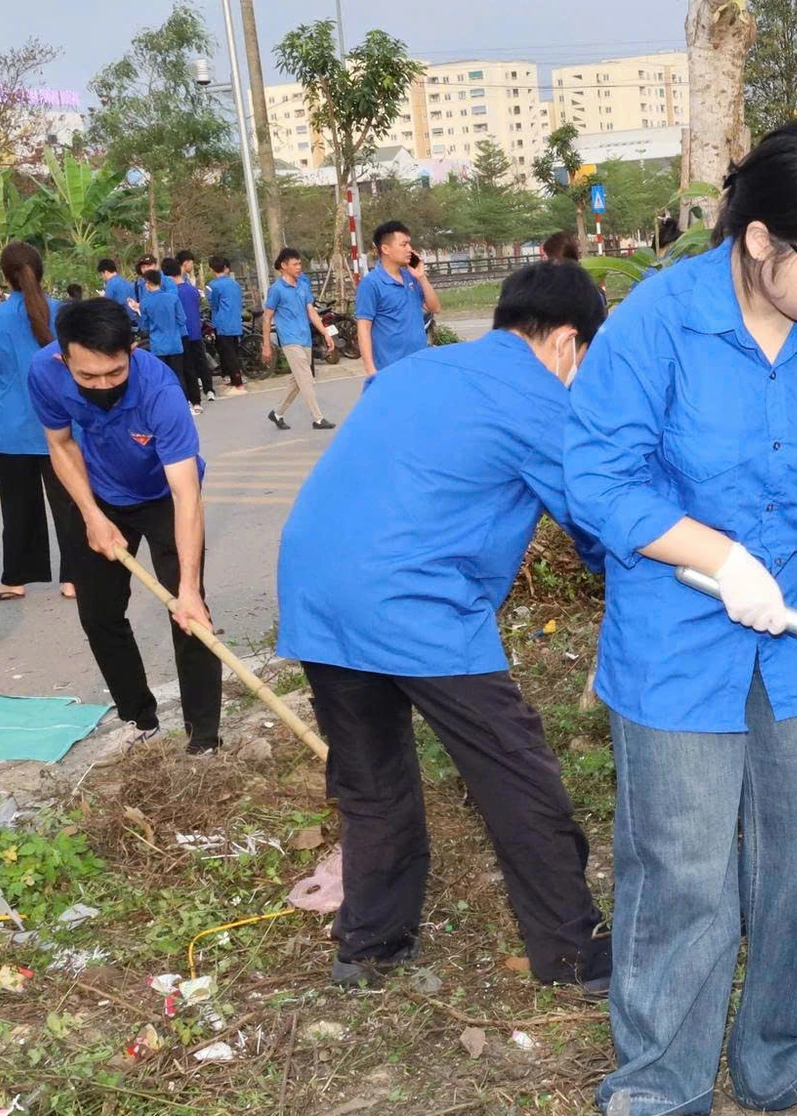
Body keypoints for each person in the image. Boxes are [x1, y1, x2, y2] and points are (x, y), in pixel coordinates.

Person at [564, 115, 797, 1116]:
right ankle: (656, 1079)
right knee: (681, 867)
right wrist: (714, 557)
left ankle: (788, 1052)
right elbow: (597, 478)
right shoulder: (660, 322)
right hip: (679, 633)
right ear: (762, 240)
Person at [276, 262, 616, 992]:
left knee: (371, 781)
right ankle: (575, 955)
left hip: (317, 587)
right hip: (412, 600)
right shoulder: (538, 399)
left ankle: (369, 947)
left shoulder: (417, 369)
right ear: (566, 341)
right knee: (515, 773)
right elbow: (600, 524)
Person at [29, 298, 222, 751]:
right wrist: (93, 516)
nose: (102, 385)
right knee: (98, 614)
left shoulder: (160, 391)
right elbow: (59, 445)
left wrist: (189, 588)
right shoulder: (45, 373)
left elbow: (185, 493)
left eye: (114, 373)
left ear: (131, 351)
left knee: (190, 615)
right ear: (63, 359)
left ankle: (204, 738)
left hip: (163, 497)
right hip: (98, 494)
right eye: (88, 377)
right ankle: (140, 717)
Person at [0, 241, 83, 602]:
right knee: (70, 503)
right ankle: (74, 577)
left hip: (11, 427)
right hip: (60, 424)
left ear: (6, 278)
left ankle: (16, 578)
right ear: (41, 272)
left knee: (17, 506)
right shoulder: (63, 314)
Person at [261, 246, 335, 431]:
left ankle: (277, 413)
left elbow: (311, 311)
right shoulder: (276, 290)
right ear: (284, 266)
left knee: (298, 380)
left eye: (299, 263)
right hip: (290, 340)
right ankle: (318, 419)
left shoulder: (303, 285)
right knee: (306, 378)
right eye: (295, 264)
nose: (298, 267)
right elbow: (267, 317)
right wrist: (266, 345)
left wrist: (326, 333)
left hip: (305, 338)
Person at [356, 221, 439, 381]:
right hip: (390, 369)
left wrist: (421, 277)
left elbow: (434, 307)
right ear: (385, 249)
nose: (410, 249)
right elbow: (364, 327)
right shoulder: (371, 283)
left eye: (409, 244)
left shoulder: (411, 277)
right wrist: (370, 369)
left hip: (419, 363)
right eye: (404, 244)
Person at [135, 264, 195, 410]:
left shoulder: (145, 303)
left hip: (158, 345)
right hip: (175, 342)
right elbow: (182, 319)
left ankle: (166, 404)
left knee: (161, 376)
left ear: (148, 284)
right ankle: (184, 402)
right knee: (179, 373)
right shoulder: (172, 298)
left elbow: (144, 326)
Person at [170, 251, 214, 404]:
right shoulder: (184, 285)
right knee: (198, 360)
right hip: (192, 328)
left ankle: (204, 391)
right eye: (191, 263)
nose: (192, 266)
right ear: (185, 263)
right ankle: (207, 390)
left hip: (186, 329)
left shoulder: (180, 285)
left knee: (190, 363)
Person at [205, 254, 246, 393]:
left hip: (222, 323)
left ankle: (238, 382)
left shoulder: (212, 286)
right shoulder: (235, 284)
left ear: (212, 269)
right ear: (225, 267)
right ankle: (235, 378)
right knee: (234, 350)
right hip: (235, 321)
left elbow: (213, 304)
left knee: (228, 353)